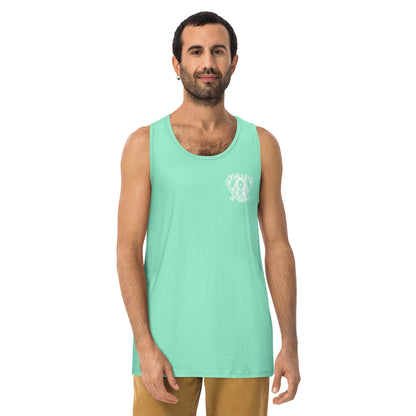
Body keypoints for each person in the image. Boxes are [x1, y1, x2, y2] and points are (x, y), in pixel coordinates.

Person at [116, 10, 301, 416]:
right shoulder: (144, 145)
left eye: (218, 51)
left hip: (243, 346)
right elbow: (127, 250)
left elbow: (278, 246)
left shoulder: (261, 145)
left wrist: (289, 342)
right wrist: (144, 344)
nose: (207, 62)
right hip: (164, 348)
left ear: (233, 62)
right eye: (196, 51)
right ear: (176, 64)